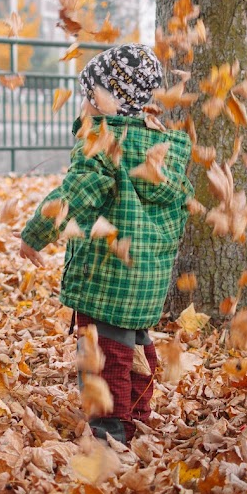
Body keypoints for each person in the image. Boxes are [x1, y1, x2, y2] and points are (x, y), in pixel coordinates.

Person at [18, 43, 194, 445]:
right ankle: (139, 415)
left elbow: (77, 193)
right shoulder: (162, 151)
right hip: (148, 274)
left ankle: (110, 431)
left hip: (107, 274)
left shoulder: (101, 143)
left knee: (104, 353)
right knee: (135, 345)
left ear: (103, 99)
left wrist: (36, 234)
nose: (84, 103)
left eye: (88, 94)